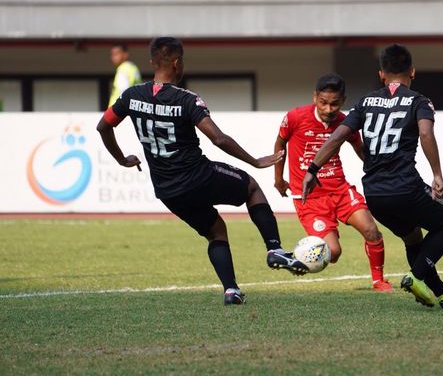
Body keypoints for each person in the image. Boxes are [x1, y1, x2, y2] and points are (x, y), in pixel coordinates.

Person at [96, 37, 308, 306]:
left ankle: (231, 290)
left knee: (216, 231)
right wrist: (254, 160)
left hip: (167, 189)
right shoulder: (187, 100)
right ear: (177, 62)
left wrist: (121, 159)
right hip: (198, 176)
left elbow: (103, 126)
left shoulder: (130, 96)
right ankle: (274, 248)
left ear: (152, 62)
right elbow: (218, 138)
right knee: (251, 187)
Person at [302, 44, 443, 309]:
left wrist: (312, 169)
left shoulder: (365, 102)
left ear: (381, 74)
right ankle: (416, 276)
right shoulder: (419, 100)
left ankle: (442, 291)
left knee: (412, 238)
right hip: (405, 186)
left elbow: (338, 136)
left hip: (375, 195)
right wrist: (437, 174)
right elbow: (425, 134)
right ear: (413, 71)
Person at [274, 73, 392, 292]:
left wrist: (378, 171)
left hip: (340, 190)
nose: (328, 109)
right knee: (333, 253)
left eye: (334, 104)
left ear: (343, 101)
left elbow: (358, 146)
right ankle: (296, 258)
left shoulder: (344, 121)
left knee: (371, 231)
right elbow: (281, 142)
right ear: (315, 97)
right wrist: (278, 178)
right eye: (323, 103)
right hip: (309, 198)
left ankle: (379, 281)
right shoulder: (295, 117)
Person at [108, 43, 142, 107]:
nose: (113, 57)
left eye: (116, 54)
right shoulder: (133, 67)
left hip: (119, 111)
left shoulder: (123, 69)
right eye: (112, 55)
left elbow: (123, 92)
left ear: (125, 54)